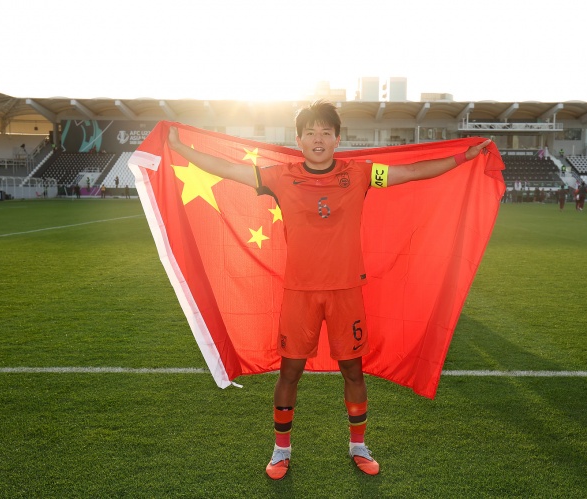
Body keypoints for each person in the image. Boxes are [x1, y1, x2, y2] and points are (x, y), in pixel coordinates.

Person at [167, 101, 491, 480]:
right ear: (298, 140)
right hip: (300, 293)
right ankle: (281, 451)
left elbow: (412, 172)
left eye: (325, 132)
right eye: (310, 132)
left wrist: (463, 158)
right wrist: (180, 148)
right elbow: (227, 169)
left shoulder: (361, 174)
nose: (317, 139)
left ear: (338, 139)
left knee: (353, 371)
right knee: (290, 372)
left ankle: (358, 446)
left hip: (346, 292)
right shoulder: (279, 176)